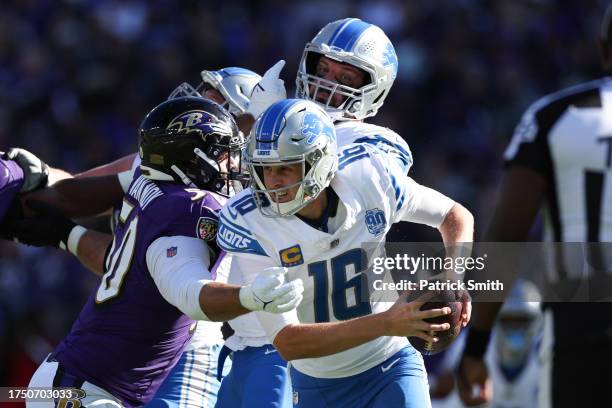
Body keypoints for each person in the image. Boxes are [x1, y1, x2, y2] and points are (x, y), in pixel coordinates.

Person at [7, 97, 304, 407]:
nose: (233, 163)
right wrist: (249, 297)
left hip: (76, 380)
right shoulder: (190, 209)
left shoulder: (147, 183)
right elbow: (189, 292)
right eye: (224, 154)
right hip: (85, 390)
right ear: (194, 160)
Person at [218, 98, 474, 408]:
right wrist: (386, 322)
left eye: (286, 167)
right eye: (265, 169)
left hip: (391, 364)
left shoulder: (370, 176)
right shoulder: (250, 220)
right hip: (317, 384)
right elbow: (288, 341)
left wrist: (453, 278)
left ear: (320, 162)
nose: (272, 181)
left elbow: (455, 216)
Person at [214, 18, 414, 408]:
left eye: (346, 76)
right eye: (322, 69)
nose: (327, 83)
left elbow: (329, 167)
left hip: (303, 343)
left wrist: (270, 124)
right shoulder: (280, 124)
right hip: (242, 337)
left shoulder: (372, 141)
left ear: (374, 88)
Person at [456, 5, 612, 407]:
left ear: (604, 49)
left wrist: (476, 347)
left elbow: (507, 234)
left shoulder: (555, 116)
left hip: (584, 323)